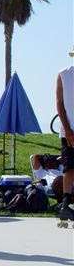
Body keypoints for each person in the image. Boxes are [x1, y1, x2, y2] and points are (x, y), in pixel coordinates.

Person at [56, 49, 74, 227]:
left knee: (70, 168)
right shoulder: (64, 74)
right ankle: (65, 204)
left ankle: (66, 204)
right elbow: (59, 103)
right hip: (69, 130)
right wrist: (68, 129)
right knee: (69, 168)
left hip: (68, 130)